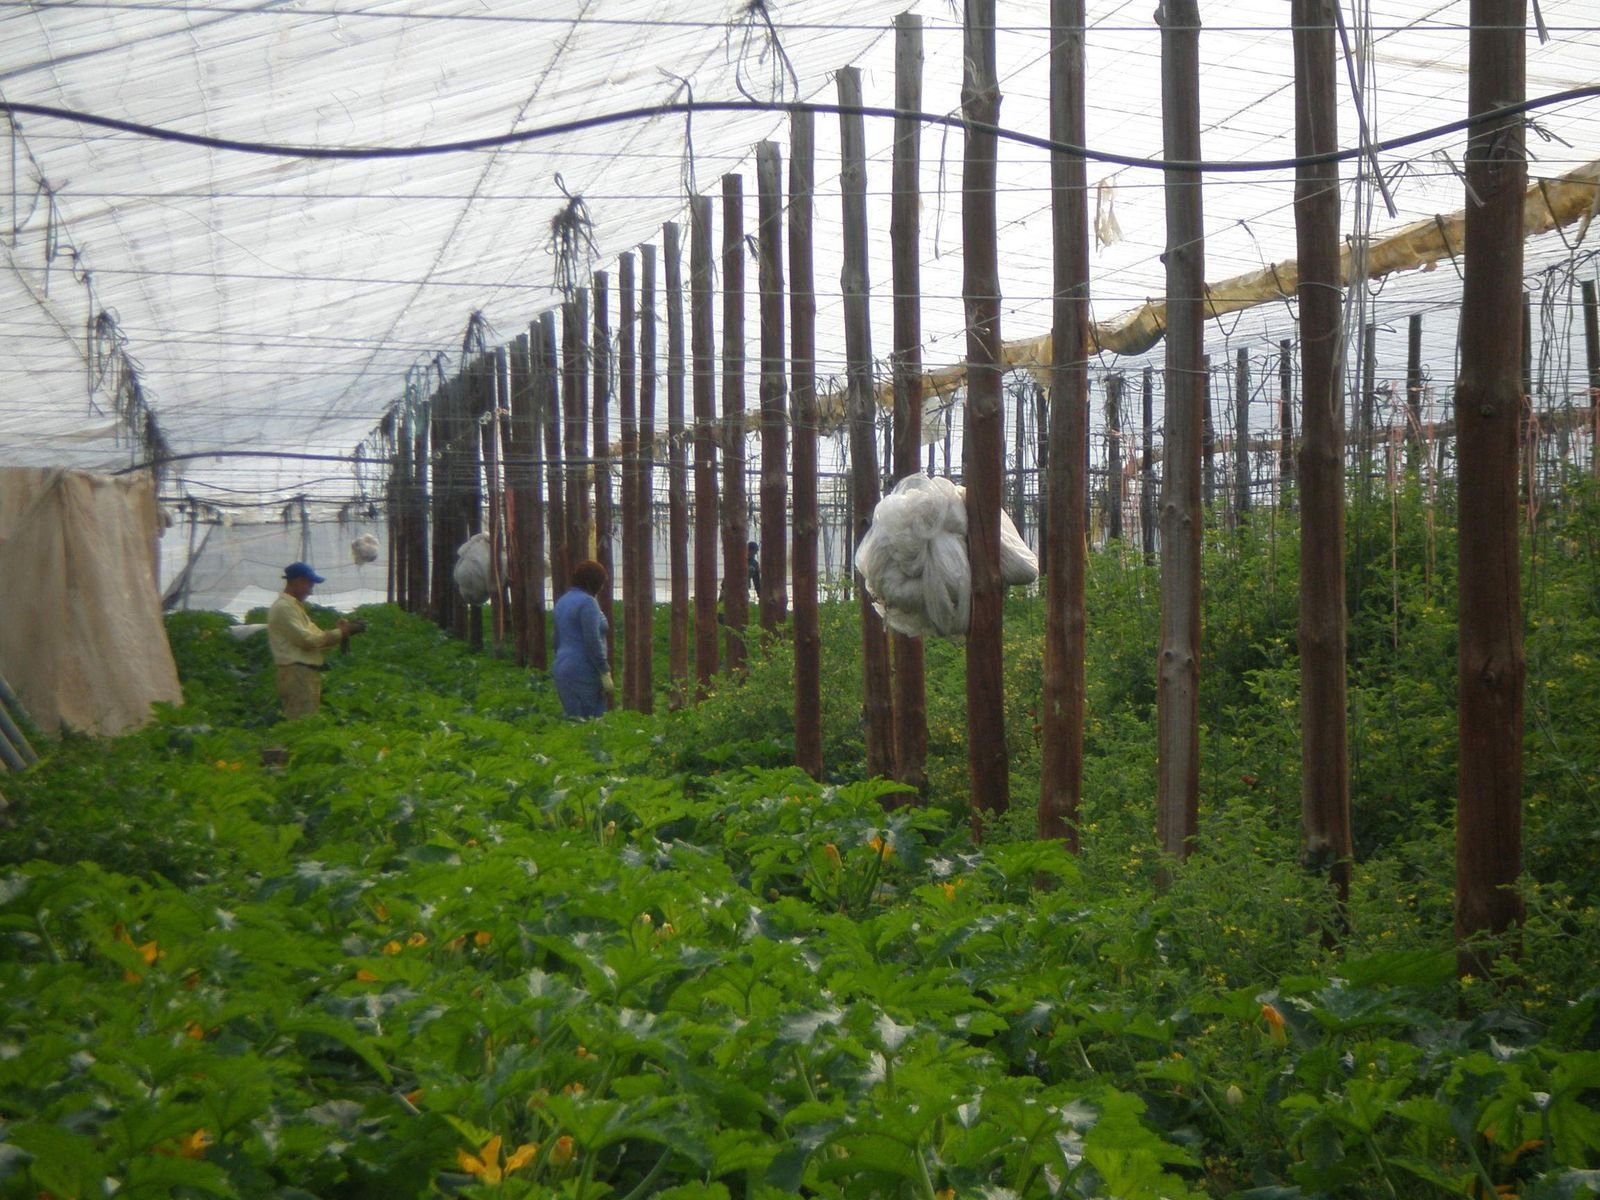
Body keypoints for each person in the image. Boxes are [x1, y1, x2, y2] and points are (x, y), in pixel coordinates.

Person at [267, 562, 363, 719]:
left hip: (302, 673)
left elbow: (317, 636)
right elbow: (308, 640)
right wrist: (342, 632)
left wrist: (341, 632)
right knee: (301, 724)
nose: (310, 592)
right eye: (309, 586)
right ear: (298, 581)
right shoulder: (284, 608)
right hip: (297, 673)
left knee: (306, 720)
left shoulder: (294, 607)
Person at [552, 559, 613, 718]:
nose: (601, 588)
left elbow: (556, 639)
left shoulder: (563, 601)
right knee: (592, 723)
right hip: (584, 671)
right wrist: (604, 670)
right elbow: (592, 641)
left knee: (574, 720)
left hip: (562, 668)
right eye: (600, 584)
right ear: (592, 582)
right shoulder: (588, 603)